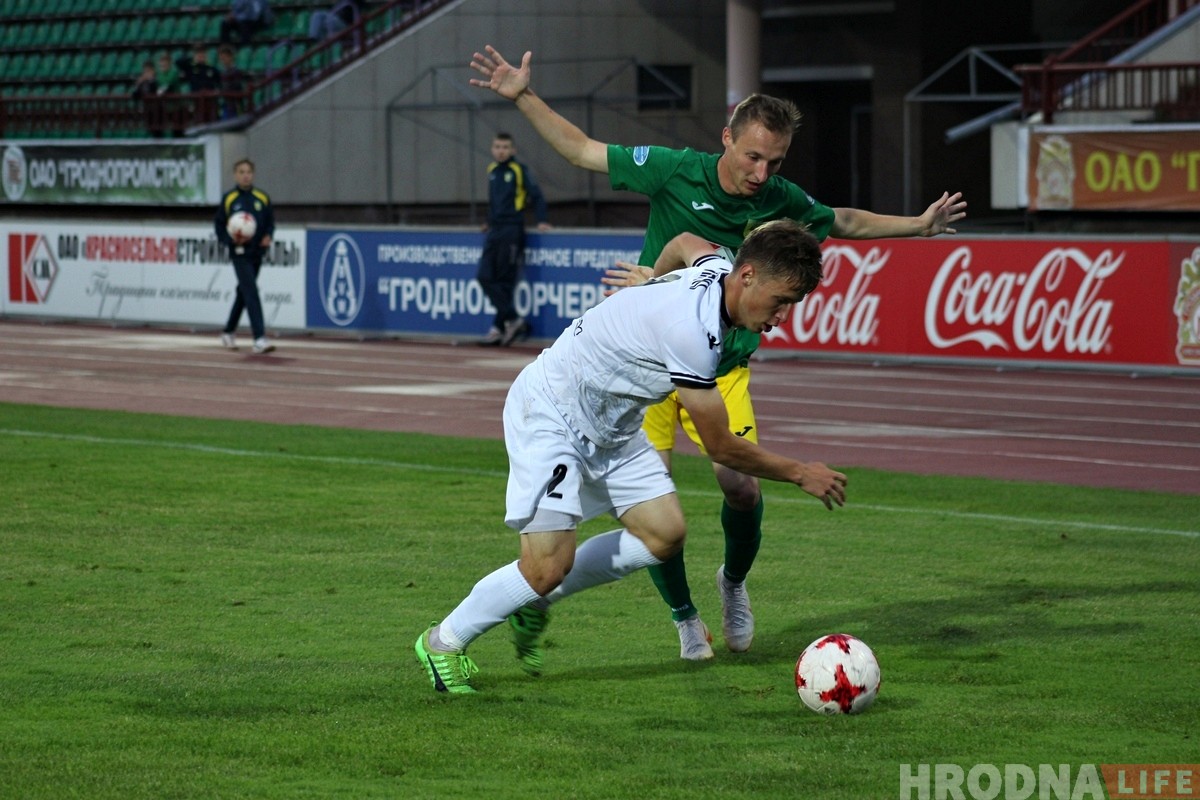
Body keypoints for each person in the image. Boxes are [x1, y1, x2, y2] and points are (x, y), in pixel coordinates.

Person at [469, 45, 966, 661]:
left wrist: (917, 225)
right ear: (727, 137)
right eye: (753, 155)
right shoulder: (676, 168)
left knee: (740, 490)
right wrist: (522, 96)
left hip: (720, 367)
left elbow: (842, 219)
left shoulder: (780, 199)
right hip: (648, 371)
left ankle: (731, 584)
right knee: (658, 510)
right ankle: (682, 619)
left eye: (774, 160)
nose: (761, 172)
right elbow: (582, 151)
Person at [415, 219, 847, 694]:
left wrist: (652, 278)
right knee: (543, 567)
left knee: (665, 535)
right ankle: (443, 642)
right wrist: (800, 472)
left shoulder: (717, 265)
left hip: (614, 425)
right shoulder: (693, 333)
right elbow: (722, 446)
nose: (782, 316)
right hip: (553, 414)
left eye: (792, 304)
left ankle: (533, 600)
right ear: (746, 276)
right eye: (780, 300)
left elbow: (684, 242)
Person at [475, 132, 551, 347]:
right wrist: (488, 221)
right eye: (497, 146)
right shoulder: (491, 171)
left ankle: (498, 328)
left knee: (504, 280)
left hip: (511, 230)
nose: (501, 151)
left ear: (513, 150)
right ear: (492, 149)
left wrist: (542, 220)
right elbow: (493, 202)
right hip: (495, 230)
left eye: (505, 147)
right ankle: (514, 320)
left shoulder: (518, 170)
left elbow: (536, 195)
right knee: (484, 276)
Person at [215, 159, 276, 355]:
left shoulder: (262, 198)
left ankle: (228, 331)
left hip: (257, 252)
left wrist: (268, 236)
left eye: (249, 171)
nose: (245, 175)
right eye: (241, 172)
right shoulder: (229, 198)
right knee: (251, 291)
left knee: (243, 293)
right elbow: (219, 226)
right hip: (239, 253)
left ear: (253, 174)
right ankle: (259, 338)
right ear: (235, 175)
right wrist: (231, 241)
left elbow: (270, 223)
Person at [216, 45, 249, 119]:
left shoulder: (236, 72)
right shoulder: (222, 73)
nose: (222, 60)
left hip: (235, 106)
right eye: (221, 58)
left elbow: (238, 88)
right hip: (226, 104)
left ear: (230, 57)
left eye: (224, 58)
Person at [130, 60, 161, 137]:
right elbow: (135, 95)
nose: (146, 73)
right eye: (145, 71)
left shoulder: (158, 80)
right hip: (147, 110)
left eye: (148, 71)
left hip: (158, 110)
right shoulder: (143, 82)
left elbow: (156, 91)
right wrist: (138, 84)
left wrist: (151, 80)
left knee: (158, 131)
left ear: (153, 71)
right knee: (149, 129)